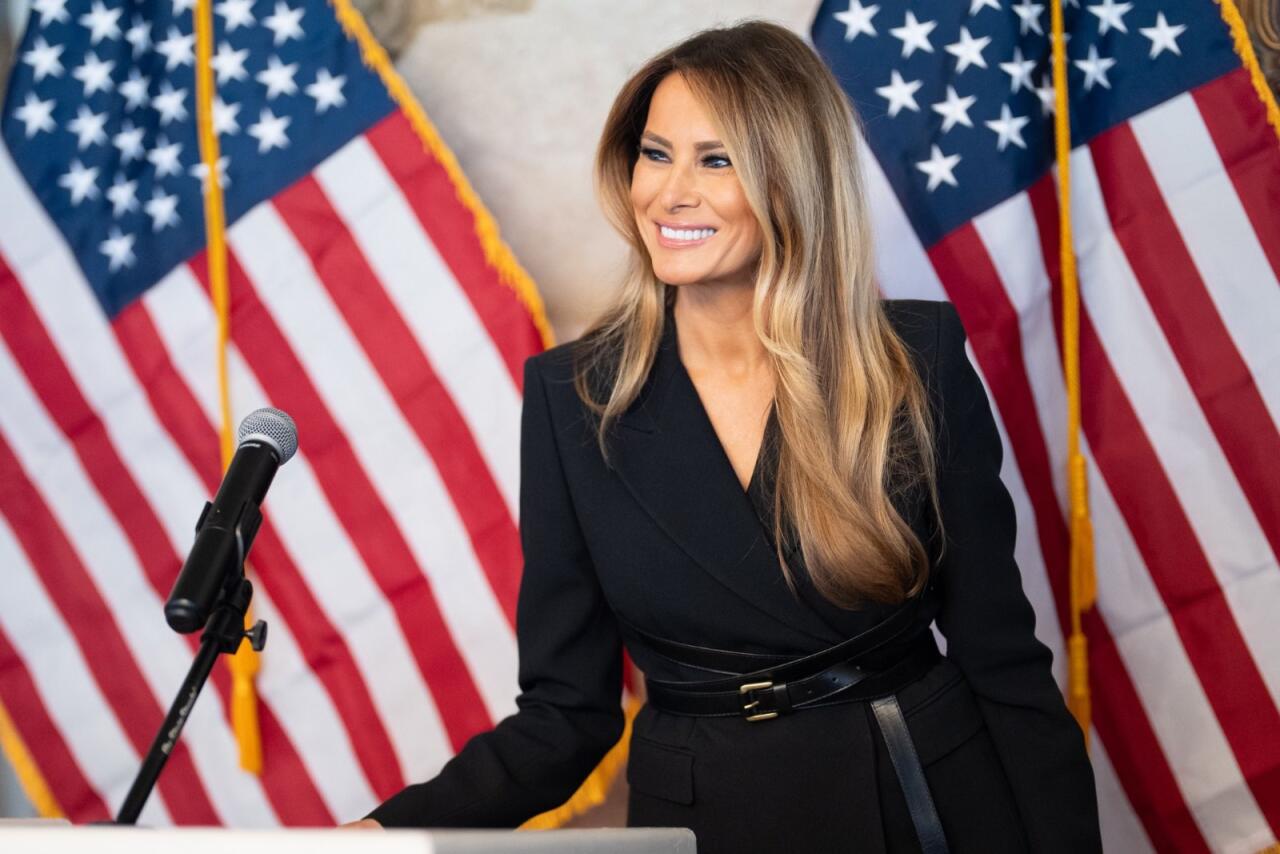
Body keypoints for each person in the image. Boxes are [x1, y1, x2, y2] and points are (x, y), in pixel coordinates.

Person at [346, 20, 1101, 853]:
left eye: (716, 160)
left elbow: (1004, 661)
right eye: (655, 154)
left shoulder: (913, 359)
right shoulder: (571, 399)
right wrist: (378, 835)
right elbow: (565, 717)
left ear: (791, 180)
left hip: (922, 799)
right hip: (707, 819)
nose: (670, 194)